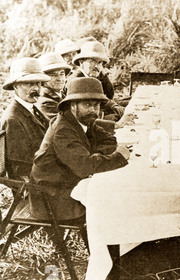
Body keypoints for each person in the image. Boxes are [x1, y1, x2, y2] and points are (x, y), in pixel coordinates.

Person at [29, 77, 130, 222]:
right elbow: (85, 167)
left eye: (96, 105)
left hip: (67, 183)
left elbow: (109, 139)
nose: (93, 110)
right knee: (114, 200)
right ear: (72, 105)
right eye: (87, 104)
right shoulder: (63, 130)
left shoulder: (83, 120)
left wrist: (96, 157)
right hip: (52, 198)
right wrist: (118, 157)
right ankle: (108, 242)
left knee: (116, 189)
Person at [1, 57, 51, 180]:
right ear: (15, 86)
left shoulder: (33, 110)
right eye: (30, 83)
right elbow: (21, 168)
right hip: (36, 187)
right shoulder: (12, 119)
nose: (36, 89)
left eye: (38, 83)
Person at [67, 40, 124, 122]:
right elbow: (76, 114)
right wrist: (104, 118)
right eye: (92, 61)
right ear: (81, 62)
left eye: (100, 63)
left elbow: (108, 95)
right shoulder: (75, 80)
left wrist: (114, 106)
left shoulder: (91, 76)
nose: (97, 66)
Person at [37, 52, 72, 119]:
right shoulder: (45, 102)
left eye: (62, 74)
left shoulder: (62, 96)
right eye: (53, 75)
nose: (59, 79)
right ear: (43, 79)